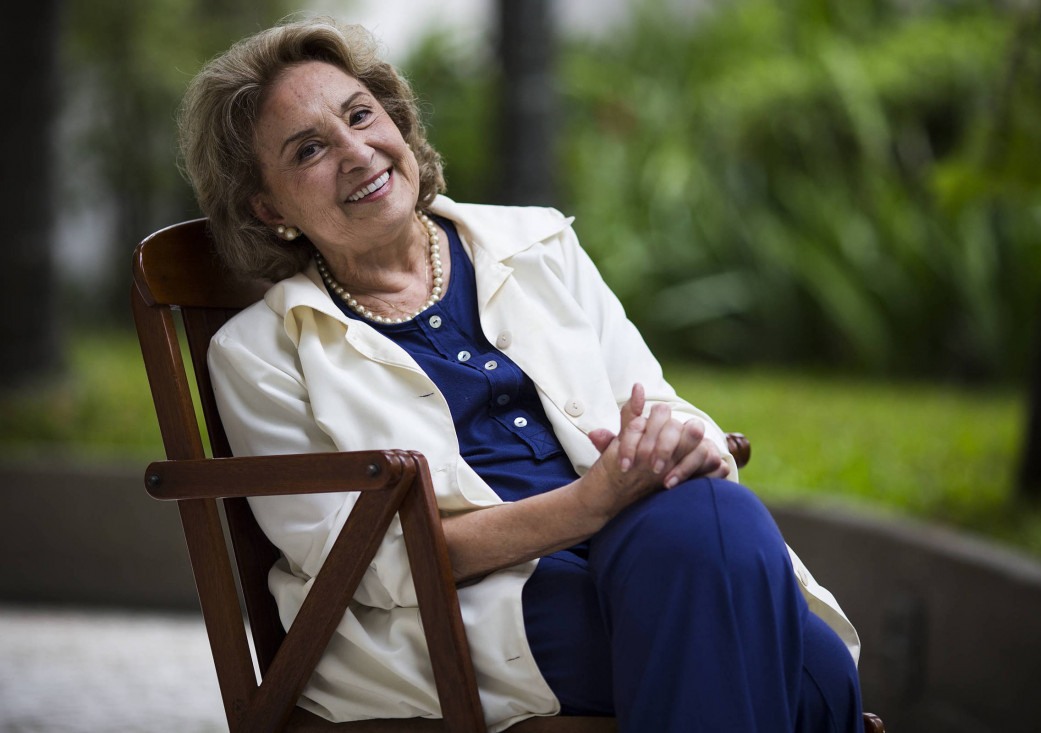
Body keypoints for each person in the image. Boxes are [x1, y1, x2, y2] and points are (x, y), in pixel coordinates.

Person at [179, 16, 863, 733]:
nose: (356, 152)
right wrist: (588, 504)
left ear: (397, 122)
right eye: (310, 149)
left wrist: (688, 442)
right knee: (811, 676)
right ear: (268, 207)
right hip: (470, 607)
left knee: (717, 518)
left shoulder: (538, 244)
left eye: (360, 115)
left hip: (638, 545)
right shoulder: (261, 353)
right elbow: (371, 566)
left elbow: (653, 401)